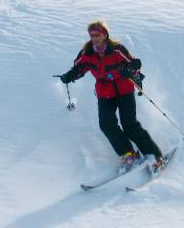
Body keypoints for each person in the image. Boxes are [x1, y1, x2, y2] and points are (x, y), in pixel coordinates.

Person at [59, 20, 164, 173]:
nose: (94, 38)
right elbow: (80, 68)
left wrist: (129, 69)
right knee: (106, 124)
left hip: (124, 90)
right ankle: (129, 155)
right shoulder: (87, 53)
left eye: (98, 35)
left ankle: (154, 156)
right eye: (92, 35)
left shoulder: (116, 49)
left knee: (129, 125)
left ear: (105, 34)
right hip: (104, 92)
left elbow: (135, 63)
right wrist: (70, 75)